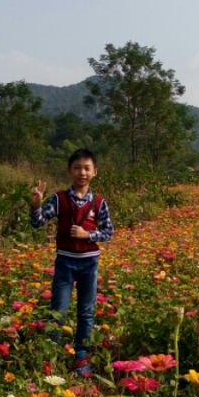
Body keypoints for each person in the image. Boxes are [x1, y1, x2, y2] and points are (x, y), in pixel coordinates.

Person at [30, 148, 114, 375]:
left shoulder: (99, 202)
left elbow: (108, 232)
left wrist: (88, 235)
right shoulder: (59, 199)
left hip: (89, 263)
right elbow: (37, 223)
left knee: (87, 312)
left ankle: (81, 356)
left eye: (87, 168)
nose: (82, 173)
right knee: (59, 310)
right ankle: (53, 356)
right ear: (70, 170)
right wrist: (36, 205)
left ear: (95, 172)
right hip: (65, 263)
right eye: (77, 168)